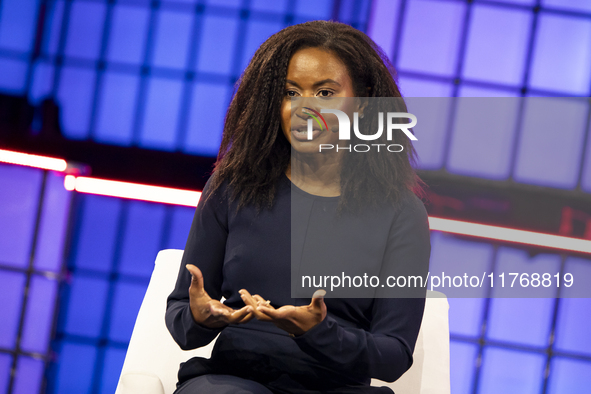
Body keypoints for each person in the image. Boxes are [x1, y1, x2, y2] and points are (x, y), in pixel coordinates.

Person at [165, 20, 431, 394]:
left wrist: (319, 332)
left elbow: (393, 355)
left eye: (325, 93)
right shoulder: (231, 186)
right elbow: (181, 317)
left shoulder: (401, 212)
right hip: (234, 380)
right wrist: (200, 316)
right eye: (291, 93)